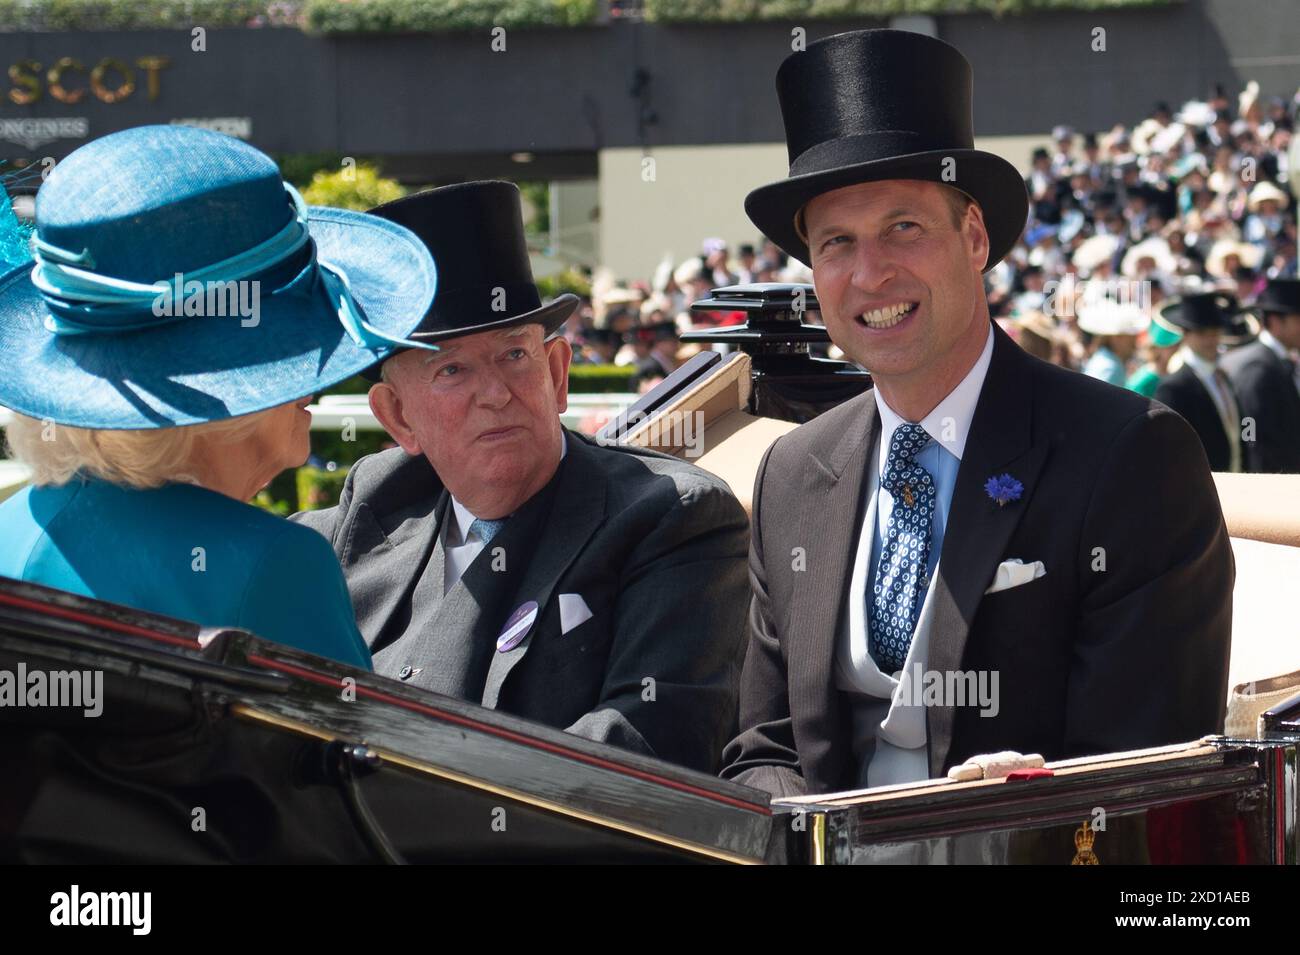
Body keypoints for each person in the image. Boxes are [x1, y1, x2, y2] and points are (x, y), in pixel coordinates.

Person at [720, 30, 1233, 797]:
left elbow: (1148, 773)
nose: (869, 273)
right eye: (836, 242)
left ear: (974, 237)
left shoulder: (1130, 456)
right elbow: (763, 750)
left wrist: (1031, 797)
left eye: (904, 227)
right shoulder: (793, 474)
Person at [292, 181, 750, 773]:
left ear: (557, 373)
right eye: (452, 368)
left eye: (514, 354)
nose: (496, 394)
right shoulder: (378, 504)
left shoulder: (670, 517)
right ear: (398, 416)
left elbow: (649, 750)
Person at [0, 125, 439, 669]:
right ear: (223, 398)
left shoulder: (11, 531)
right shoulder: (271, 564)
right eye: (289, 348)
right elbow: (348, 750)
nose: (317, 382)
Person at [1154, 292, 1246, 472]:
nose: (1210, 339)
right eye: (1202, 333)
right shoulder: (1174, 387)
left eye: (1215, 331)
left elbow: (1241, 429)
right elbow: (1169, 449)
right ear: (1186, 335)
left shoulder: (1223, 377)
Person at [1222, 277, 1300, 473]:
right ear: (1275, 321)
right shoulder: (1259, 368)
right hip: (1270, 484)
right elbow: (1251, 432)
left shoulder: (1277, 362)